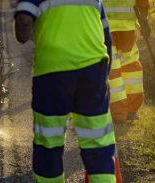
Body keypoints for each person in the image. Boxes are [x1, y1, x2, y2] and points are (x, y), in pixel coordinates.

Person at [14, 0, 116, 182]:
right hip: (93, 70)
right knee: (98, 141)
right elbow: (107, 38)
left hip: (53, 72)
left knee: (49, 142)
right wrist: (104, 76)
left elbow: (23, 24)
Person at [103, 0, 153, 122]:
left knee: (112, 69)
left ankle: (118, 114)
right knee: (130, 66)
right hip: (128, 26)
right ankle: (131, 110)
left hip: (104, 25)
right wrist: (144, 19)